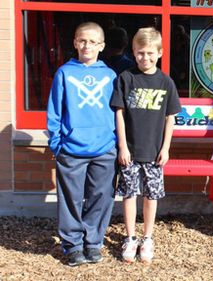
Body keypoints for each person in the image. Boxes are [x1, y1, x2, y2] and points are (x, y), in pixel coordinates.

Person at [46, 22, 117, 266]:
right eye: (82, 40)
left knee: (101, 197)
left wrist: (115, 142)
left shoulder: (109, 75)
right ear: (75, 43)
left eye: (92, 41)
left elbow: (117, 112)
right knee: (70, 200)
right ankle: (73, 246)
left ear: (102, 46)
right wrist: (57, 143)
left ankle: (93, 243)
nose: (87, 45)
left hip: (104, 147)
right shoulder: (64, 73)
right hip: (72, 148)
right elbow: (55, 111)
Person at [111, 27, 181, 263]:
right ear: (133, 52)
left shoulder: (166, 83)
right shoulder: (126, 78)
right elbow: (119, 113)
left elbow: (170, 117)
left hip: (154, 152)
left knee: (151, 196)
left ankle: (147, 237)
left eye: (150, 53)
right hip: (130, 151)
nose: (145, 58)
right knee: (129, 194)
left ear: (159, 53)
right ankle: (130, 237)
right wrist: (122, 146)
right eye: (140, 53)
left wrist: (166, 148)